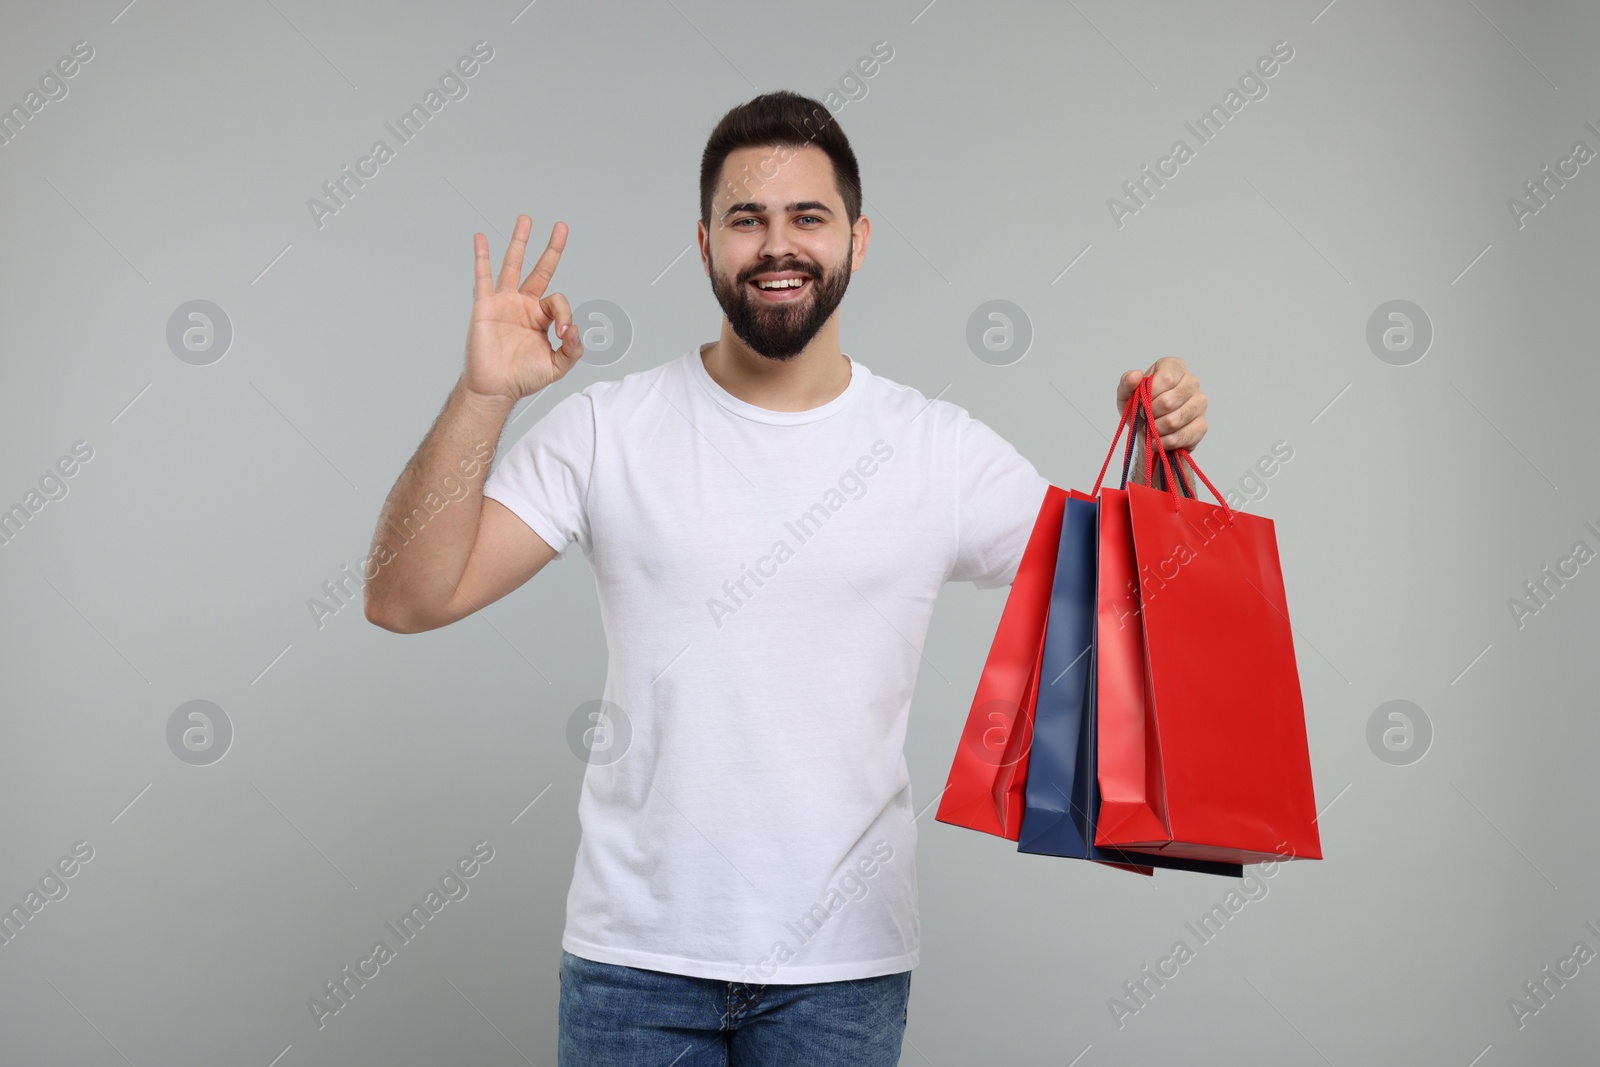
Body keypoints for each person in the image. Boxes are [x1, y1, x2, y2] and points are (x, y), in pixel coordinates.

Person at [363, 90, 1209, 1067]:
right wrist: (481, 397)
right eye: (746, 218)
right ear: (704, 241)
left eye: (807, 216)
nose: (777, 245)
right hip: (635, 960)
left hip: (842, 972)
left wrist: (1155, 448)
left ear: (857, 235)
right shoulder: (610, 429)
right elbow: (404, 596)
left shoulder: (933, 449)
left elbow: (1127, 602)